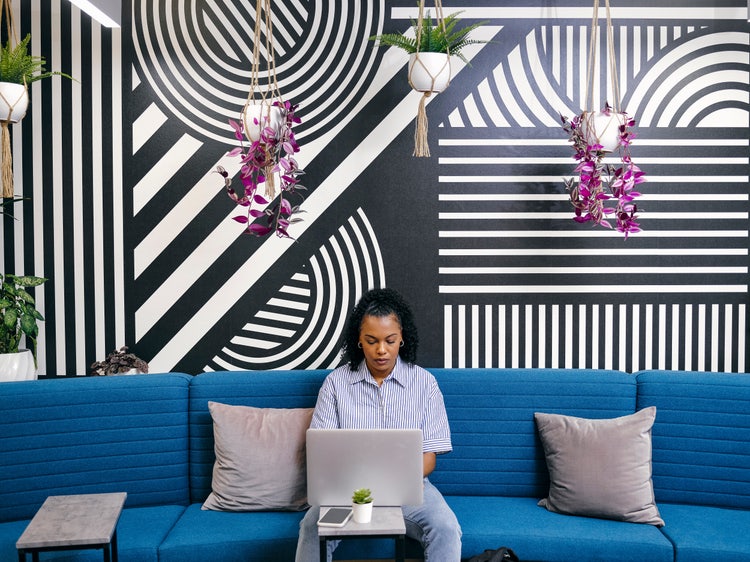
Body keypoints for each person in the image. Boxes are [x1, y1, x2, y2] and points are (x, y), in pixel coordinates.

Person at [295, 288, 462, 561]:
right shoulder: (336, 384)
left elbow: (429, 457)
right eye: (371, 341)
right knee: (311, 527)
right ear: (359, 340)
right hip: (346, 492)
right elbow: (321, 453)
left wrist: (396, 481)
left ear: (402, 340)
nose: (381, 350)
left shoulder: (425, 384)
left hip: (411, 491)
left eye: (390, 340)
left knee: (446, 527)